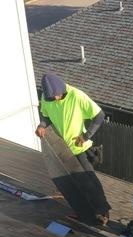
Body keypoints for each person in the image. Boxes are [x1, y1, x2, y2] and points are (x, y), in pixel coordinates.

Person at [35, 72, 111, 225]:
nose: (54, 100)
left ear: (61, 89)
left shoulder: (77, 96)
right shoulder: (47, 97)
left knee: (90, 182)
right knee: (72, 185)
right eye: (51, 98)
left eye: (56, 96)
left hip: (79, 148)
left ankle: (103, 212)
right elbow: (46, 116)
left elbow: (99, 116)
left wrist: (85, 136)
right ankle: (83, 211)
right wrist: (42, 125)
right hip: (62, 149)